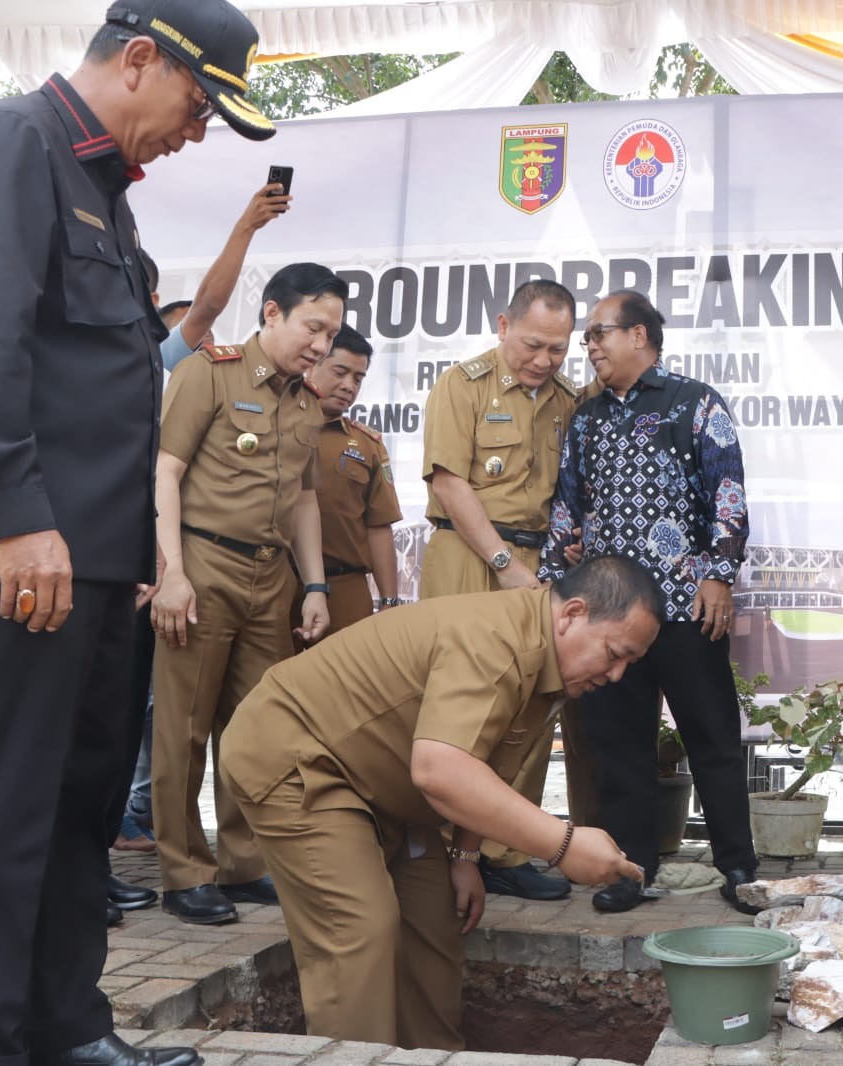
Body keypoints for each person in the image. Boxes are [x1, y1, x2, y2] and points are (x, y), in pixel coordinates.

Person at [0, 0, 276, 1062]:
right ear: (142, 59)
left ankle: (63, 1029)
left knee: (76, 810)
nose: (198, 132)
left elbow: (96, 384)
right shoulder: (14, 144)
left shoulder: (98, 181)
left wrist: (139, 559)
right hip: (17, 552)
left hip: (93, 563)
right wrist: (21, 519)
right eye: (202, 106)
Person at [218, 555, 660, 1047]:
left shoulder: (546, 661)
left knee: (434, 924)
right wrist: (563, 844)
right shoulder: (495, 640)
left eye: (630, 664)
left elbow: (487, 762)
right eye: (615, 653)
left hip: (385, 783)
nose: (617, 675)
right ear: (572, 614)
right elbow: (440, 769)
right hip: (300, 757)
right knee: (360, 930)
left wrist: (466, 856)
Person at [541, 290, 758, 915]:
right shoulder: (587, 419)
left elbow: (729, 494)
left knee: (711, 735)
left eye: (598, 334)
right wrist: (551, 579)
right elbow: (569, 507)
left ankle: (738, 866)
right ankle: (632, 869)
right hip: (609, 615)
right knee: (618, 743)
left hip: (686, 606)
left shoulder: (695, 402)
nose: (589, 347)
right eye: (586, 339)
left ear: (639, 335)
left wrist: (719, 573)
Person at [150, 262, 342, 925]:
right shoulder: (210, 371)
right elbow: (165, 472)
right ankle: (183, 872)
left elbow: (307, 500)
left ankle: (243, 864)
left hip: (273, 576)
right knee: (184, 729)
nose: (321, 345)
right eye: (313, 327)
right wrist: (170, 572)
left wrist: (313, 585)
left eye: (331, 333)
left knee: (257, 728)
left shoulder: (307, 402)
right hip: (202, 566)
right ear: (271, 314)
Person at [420, 279, 587, 901]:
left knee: (532, 703)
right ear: (502, 325)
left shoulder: (572, 398)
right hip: (468, 554)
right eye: (532, 344)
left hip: (540, 559)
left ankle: (504, 848)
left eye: (557, 349)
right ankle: (434, 847)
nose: (543, 360)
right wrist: (500, 561)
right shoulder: (461, 385)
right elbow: (448, 482)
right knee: (456, 699)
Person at [299, 325, 401, 635]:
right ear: (311, 365)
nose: (348, 386)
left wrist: (388, 601)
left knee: (345, 680)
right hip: (277, 581)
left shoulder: (367, 444)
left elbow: (378, 527)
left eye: (358, 379)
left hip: (346, 588)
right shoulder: (276, 425)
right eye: (340, 372)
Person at [158, 182, 291, 372]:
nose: (203, 333)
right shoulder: (162, 362)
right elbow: (207, 306)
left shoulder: (227, 384)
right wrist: (246, 226)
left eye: (208, 330)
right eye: (186, 326)